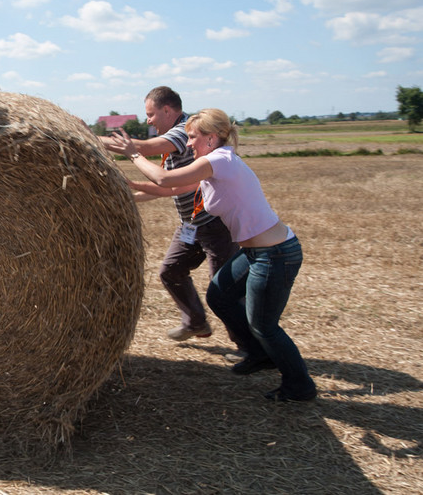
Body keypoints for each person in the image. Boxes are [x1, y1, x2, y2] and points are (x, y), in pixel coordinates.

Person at [108, 107, 316, 402]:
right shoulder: (213, 165)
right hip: (255, 252)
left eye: (193, 137)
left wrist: (133, 154)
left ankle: (300, 385)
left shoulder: (220, 160)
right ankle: (259, 355)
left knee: (263, 324)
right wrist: (123, 187)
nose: (189, 143)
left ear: (212, 137)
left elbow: (165, 179)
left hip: (276, 254)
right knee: (219, 296)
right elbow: (170, 189)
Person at [101, 87, 244, 359]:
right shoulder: (180, 138)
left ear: (168, 110)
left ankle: (249, 347)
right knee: (171, 271)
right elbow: (169, 188)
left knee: (223, 289)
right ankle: (195, 322)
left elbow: (145, 149)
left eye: (151, 114)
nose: (148, 121)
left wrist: (84, 137)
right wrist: (128, 197)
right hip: (191, 225)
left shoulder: (184, 131)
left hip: (215, 225)